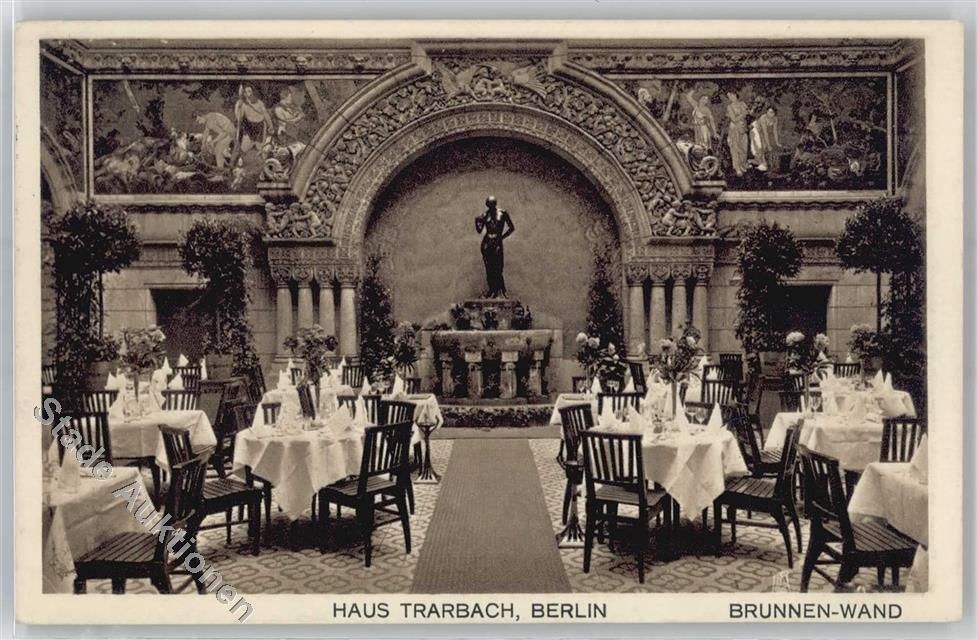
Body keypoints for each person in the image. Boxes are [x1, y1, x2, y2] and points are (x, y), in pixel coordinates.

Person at [474, 196, 515, 299]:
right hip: (487, 243)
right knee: (489, 268)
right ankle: (491, 290)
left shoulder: (503, 213)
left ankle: (501, 291)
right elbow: (479, 230)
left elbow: (511, 228)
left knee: (498, 267)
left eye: (492, 204)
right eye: (489, 204)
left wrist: (501, 237)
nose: (490, 206)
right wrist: (477, 222)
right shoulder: (484, 215)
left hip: (497, 242)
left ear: (495, 204)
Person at [234, 85, 273, 154]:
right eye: (246, 92)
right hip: (250, 126)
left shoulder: (259, 103)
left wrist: (270, 125)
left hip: (260, 126)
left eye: (250, 91)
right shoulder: (243, 104)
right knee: (244, 148)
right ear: (244, 94)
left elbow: (265, 114)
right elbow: (239, 118)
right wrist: (238, 108)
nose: (249, 94)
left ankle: (264, 162)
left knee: (260, 148)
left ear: (253, 92)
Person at [724, 92, 750, 176]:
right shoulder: (729, 107)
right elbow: (734, 119)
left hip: (743, 127)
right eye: (728, 96)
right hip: (734, 129)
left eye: (731, 95)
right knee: (735, 147)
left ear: (735, 95)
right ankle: (737, 167)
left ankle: (743, 164)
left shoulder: (742, 103)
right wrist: (743, 114)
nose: (730, 97)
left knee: (744, 146)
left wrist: (749, 112)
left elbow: (748, 113)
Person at [751, 106, 781, 172]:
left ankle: (761, 162)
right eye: (768, 112)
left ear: (774, 113)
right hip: (756, 131)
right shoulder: (763, 118)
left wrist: (777, 142)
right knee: (760, 146)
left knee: (765, 146)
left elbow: (775, 131)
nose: (769, 114)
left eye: (771, 112)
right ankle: (762, 164)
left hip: (762, 132)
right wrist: (768, 145)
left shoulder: (775, 119)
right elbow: (765, 133)